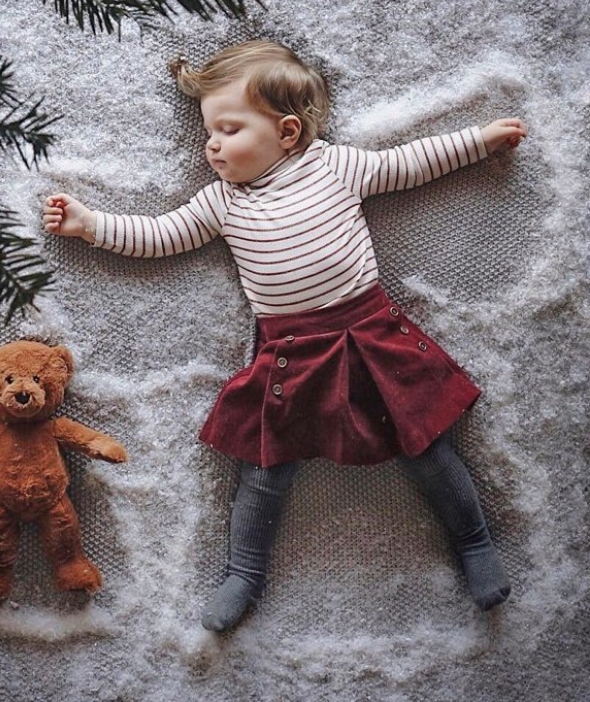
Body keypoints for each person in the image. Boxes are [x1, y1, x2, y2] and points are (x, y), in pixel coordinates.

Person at [42, 40, 527, 632]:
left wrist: (480, 140)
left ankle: (474, 543)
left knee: (424, 445)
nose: (211, 145)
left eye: (228, 129)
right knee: (266, 470)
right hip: (290, 353)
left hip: (369, 335)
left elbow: (411, 162)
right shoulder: (223, 202)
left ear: (288, 131)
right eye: (207, 132)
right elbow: (162, 234)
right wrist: (91, 225)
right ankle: (244, 573)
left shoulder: (336, 166)